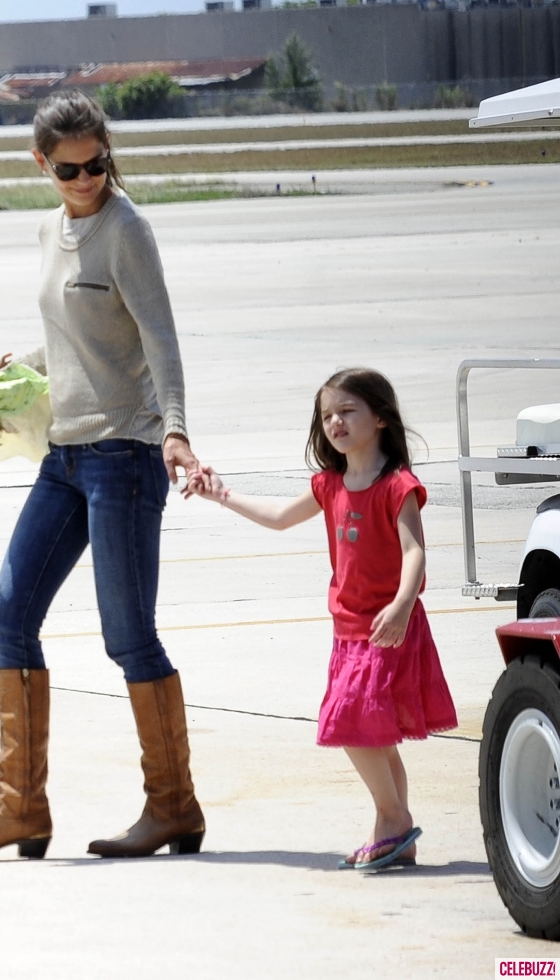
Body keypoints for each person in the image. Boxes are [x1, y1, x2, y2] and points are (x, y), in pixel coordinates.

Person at [0, 90, 205, 860]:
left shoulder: (128, 231)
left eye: (97, 164)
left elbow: (161, 340)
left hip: (124, 454)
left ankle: (174, 806)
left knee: (129, 638)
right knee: (9, 617)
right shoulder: (51, 231)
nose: (86, 180)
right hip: (65, 455)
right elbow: (66, 346)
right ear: (41, 162)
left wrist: (176, 430)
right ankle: (21, 807)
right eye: (70, 168)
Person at [186, 367, 456, 870]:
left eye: (348, 411)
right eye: (327, 415)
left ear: (380, 419)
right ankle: (394, 832)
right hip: (348, 628)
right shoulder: (329, 485)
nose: (336, 422)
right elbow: (278, 517)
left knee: (350, 725)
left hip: (387, 628)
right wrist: (221, 494)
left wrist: (401, 603)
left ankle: (393, 822)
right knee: (375, 736)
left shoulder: (397, 484)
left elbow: (414, 550)